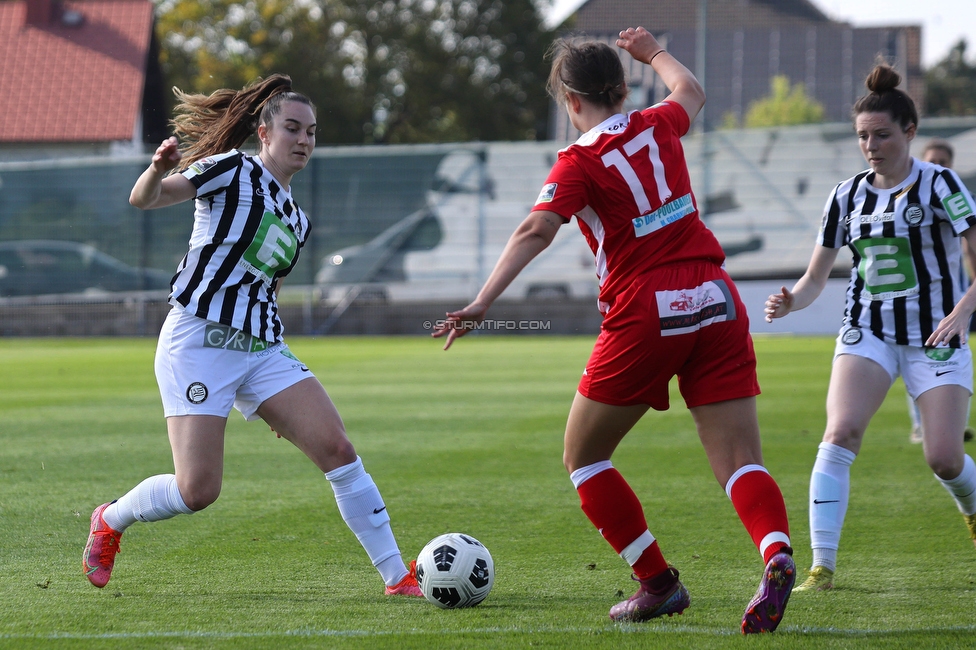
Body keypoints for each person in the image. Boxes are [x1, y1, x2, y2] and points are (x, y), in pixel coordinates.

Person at [433, 27, 795, 634]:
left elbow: (535, 231)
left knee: (584, 456)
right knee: (739, 458)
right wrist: (653, 51)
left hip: (648, 306)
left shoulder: (578, 160)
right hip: (714, 294)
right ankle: (776, 551)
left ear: (570, 102)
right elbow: (692, 90)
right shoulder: (658, 124)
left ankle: (658, 584)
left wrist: (480, 302)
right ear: (625, 88)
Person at [82, 74, 422, 598]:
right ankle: (110, 519)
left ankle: (398, 578)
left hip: (261, 347)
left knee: (338, 448)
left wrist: (275, 398)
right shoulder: (231, 169)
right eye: (292, 129)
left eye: (311, 132)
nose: (304, 140)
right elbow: (144, 200)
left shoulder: (299, 220)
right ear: (264, 133)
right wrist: (155, 170)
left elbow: (268, 288)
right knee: (198, 491)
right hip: (199, 341)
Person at [765, 65, 976, 593]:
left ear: (909, 131)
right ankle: (821, 567)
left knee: (944, 458)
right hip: (868, 332)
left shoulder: (941, 184)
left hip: (937, 336)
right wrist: (792, 300)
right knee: (839, 435)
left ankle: (971, 509)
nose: (871, 146)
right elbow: (816, 279)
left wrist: (967, 308)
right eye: (862, 136)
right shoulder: (845, 196)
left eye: (882, 134)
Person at [907, 140, 976, 443]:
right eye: (932, 160)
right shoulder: (906, 199)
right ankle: (921, 424)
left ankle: (952, 423)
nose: (937, 166)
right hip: (913, 299)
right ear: (922, 161)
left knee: (955, 355)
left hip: (952, 296)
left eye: (943, 162)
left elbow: (970, 246)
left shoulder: (958, 198)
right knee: (915, 357)